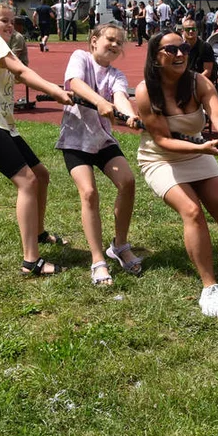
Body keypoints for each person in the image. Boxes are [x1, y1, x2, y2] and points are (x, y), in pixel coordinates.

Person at [134, 31, 218, 317]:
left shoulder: (199, 81)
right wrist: (202, 148)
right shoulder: (146, 91)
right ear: (156, 57)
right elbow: (162, 140)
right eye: (171, 49)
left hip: (198, 150)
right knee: (191, 211)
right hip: (161, 157)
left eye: (184, 48)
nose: (179, 54)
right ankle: (209, 286)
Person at [0, 3, 73, 276]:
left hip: (1, 124)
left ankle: (38, 232)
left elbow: (19, 71)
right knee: (27, 182)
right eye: (3, 20)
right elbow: (21, 72)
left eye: (12, 21)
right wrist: (55, 91)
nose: (10, 25)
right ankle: (31, 261)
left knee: (40, 175)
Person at [56, 23, 141, 286]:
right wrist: (100, 102)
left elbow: (120, 97)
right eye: (110, 39)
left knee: (127, 182)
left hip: (103, 141)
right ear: (94, 41)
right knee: (89, 193)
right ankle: (97, 260)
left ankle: (119, 245)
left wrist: (129, 114)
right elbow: (75, 83)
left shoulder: (117, 74)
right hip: (75, 141)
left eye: (120, 43)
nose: (115, 45)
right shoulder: (80, 57)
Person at [180, 15, 215, 82]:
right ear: (182, 31)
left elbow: (207, 71)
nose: (191, 31)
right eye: (187, 29)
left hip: (201, 81)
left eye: (193, 29)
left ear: (197, 30)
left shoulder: (205, 47)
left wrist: (193, 82)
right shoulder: (181, 47)